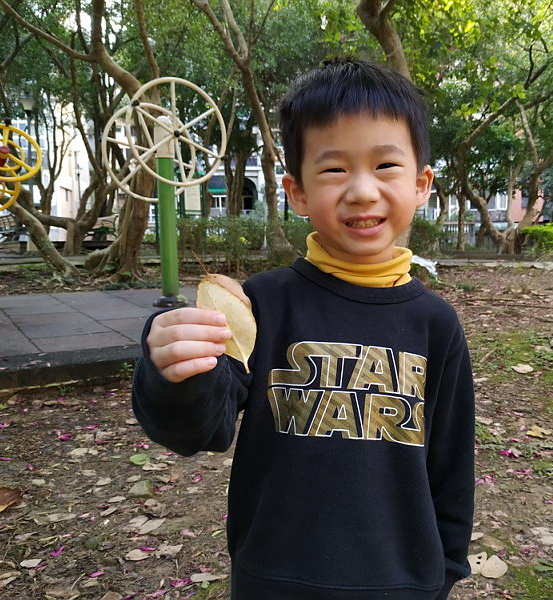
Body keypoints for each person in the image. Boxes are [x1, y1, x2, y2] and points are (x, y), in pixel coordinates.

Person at [132, 58, 475, 599]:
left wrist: (445, 570)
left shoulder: (436, 324)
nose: (362, 191)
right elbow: (200, 430)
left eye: (386, 165)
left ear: (421, 184)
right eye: (334, 169)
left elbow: (450, 464)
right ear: (296, 192)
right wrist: (173, 370)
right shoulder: (262, 305)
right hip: (273, 581)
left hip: (401, 584)